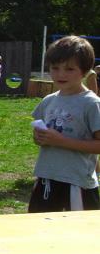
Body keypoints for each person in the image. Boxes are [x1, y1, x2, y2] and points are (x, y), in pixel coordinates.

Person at [29, 36, 100, 212]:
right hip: (46, 178)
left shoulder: (91, 103)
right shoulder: (48, 101)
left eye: (69, 69)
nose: (61, 74)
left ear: (85, 71)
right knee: (39, 232)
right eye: (55, 68)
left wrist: (60, 141)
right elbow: (41, 139)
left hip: (76, 183)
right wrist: (39, 138)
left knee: (75, 237)